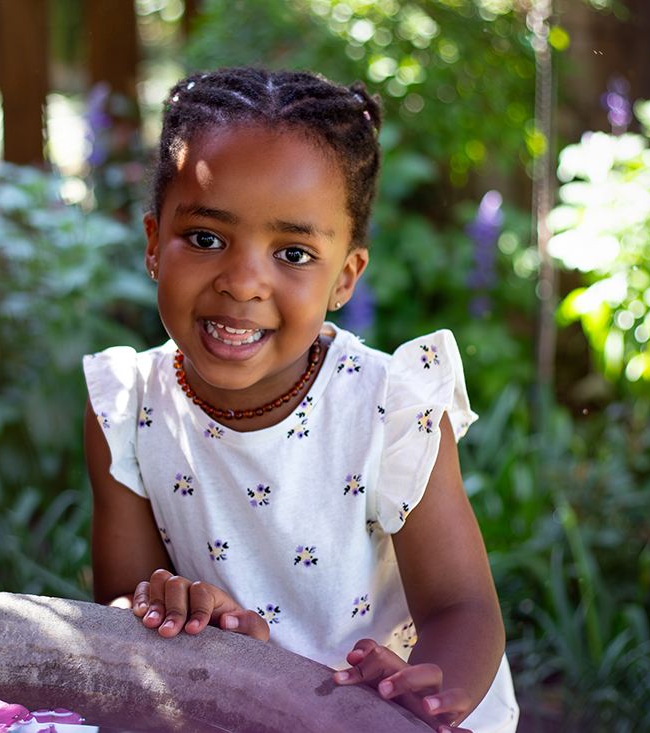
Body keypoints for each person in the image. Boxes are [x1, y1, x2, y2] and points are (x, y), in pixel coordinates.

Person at [82, 67, 518, 733]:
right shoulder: (127, 407)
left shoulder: (388, 410)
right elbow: (120, 606)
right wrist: (168, 603)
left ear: (346, 276)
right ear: (152, 243)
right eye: (205, 238)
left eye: (291, 252)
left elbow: (462, 607)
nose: (243, 281)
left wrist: (424, 697)